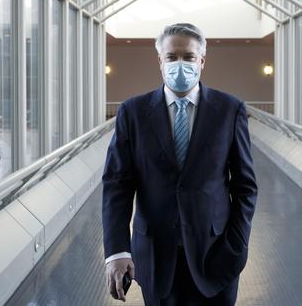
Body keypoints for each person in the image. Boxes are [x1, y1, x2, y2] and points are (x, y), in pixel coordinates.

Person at [102, 22, 258, 305]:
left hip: (217, 256)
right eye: (172, 57)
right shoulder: (133, 113)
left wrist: (238, 244)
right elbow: (117, 185)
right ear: (160, 61)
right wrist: (117, 251)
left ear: (202, 61)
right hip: (155, 258)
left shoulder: (229, 110)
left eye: (188, 57)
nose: (180, 64)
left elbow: (245, 186)